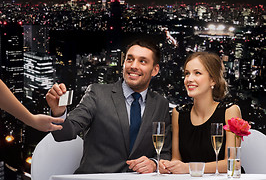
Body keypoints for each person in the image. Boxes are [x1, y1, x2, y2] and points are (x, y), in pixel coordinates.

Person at [46, 39, 171, 174]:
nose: (134, 66)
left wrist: (154, 164)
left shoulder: (161, 104)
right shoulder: (97, 93)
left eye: (143, 61)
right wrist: (58, 113)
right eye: (130, 59)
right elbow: (64, 134)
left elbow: (165, 153)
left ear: (155, 70)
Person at [160, 52, 241, 174]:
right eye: (187, 73)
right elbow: (177, 159)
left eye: (197, 73)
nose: (189, 79)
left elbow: (233, 164)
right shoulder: (179, 113)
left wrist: (189, 168)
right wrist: (168, 166)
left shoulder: (230, 111)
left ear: (213, 80)